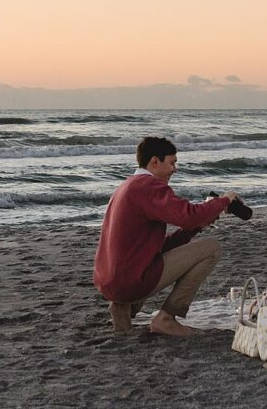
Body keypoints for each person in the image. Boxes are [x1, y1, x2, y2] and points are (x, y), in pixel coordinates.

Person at [93, 136, 240, 337]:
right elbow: (188, 216)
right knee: (212, 249)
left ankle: (123, 307)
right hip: (132, 282)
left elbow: (159, 247)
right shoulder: (149, 187)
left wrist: (196, 228)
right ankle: (167, 318)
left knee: (183, 249)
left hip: (111, 282)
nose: (175, 169)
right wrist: (224, 200)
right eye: (172, 163)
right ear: (155, 161)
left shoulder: (126, 186)